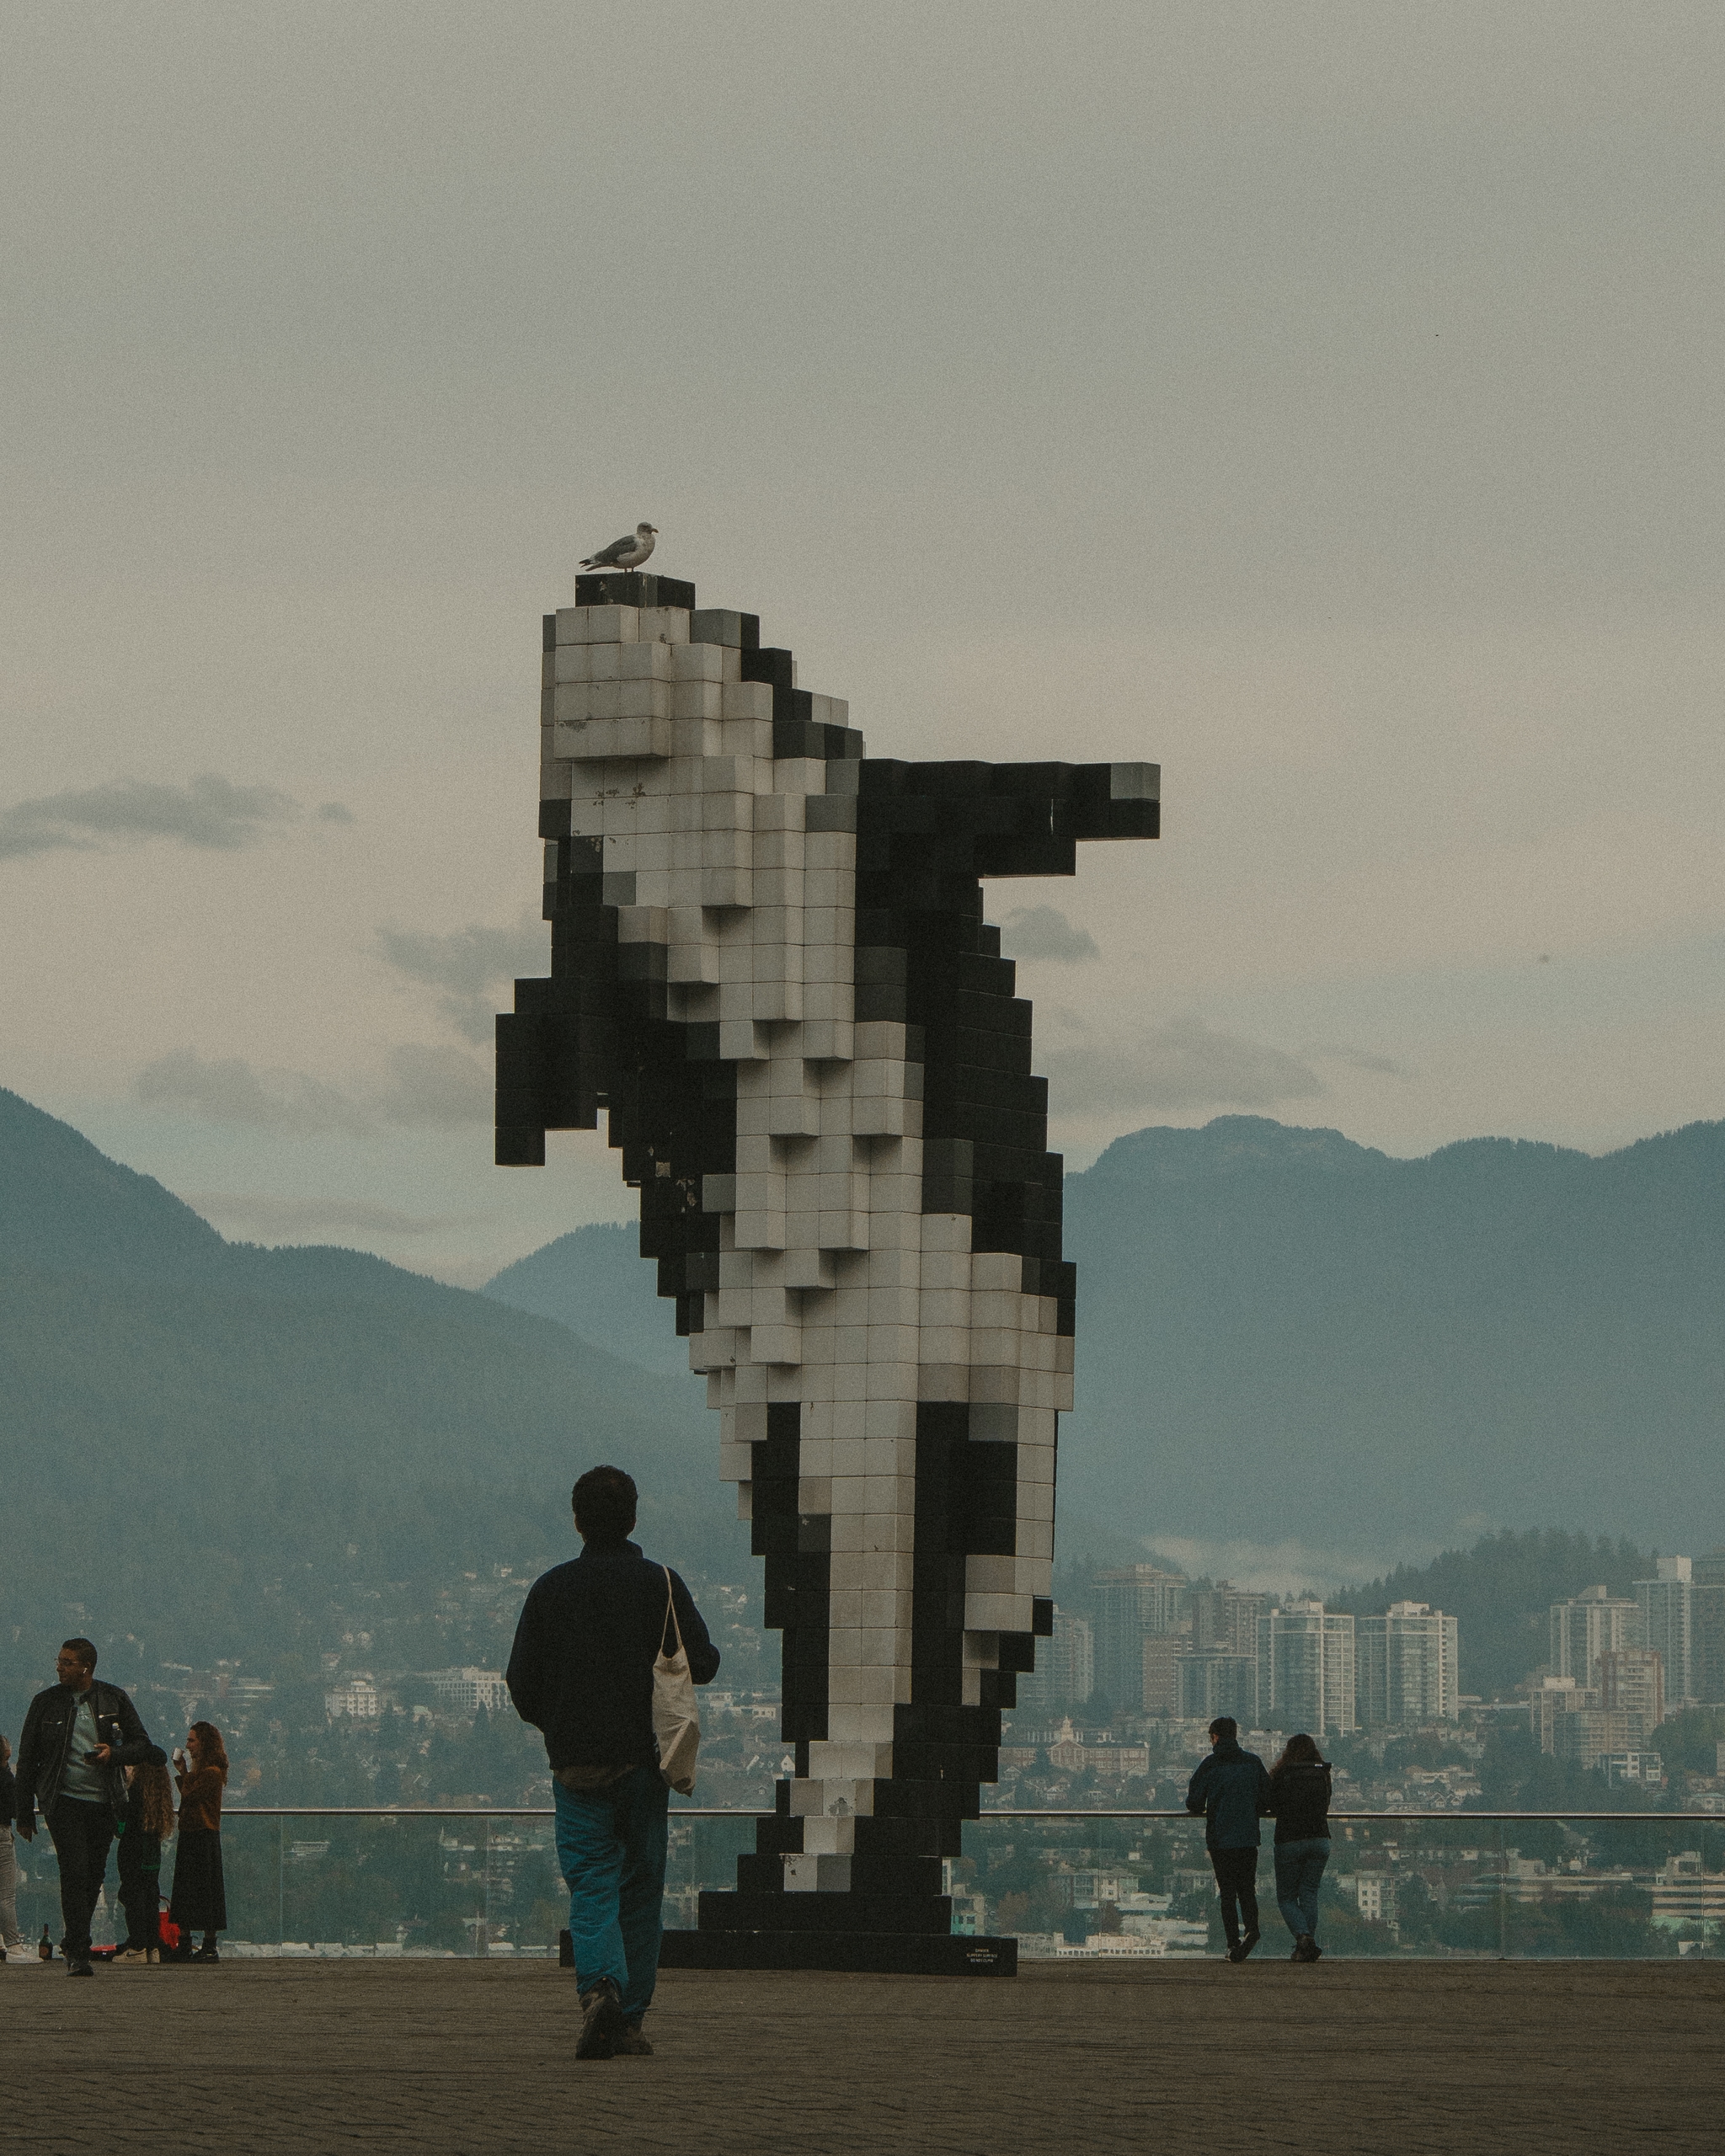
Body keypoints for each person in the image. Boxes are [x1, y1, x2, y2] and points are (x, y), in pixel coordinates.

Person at [507, 1465, 720, 2060]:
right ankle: (628, 2018)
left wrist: (558, 1725)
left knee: (592, 1881)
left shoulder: (551, 1589)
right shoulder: (661, 1584)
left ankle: (600, 1983)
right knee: (641, 1887)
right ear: (632, 1518)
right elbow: (701, 1663)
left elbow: (521, 1681)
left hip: (576, 1765)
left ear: (577, 1520)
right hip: (644, 1761)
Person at [14, 1638, 160, 1976]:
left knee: (93, 1874)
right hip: (62, 1800)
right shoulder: (45, 1703)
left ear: (86, 1667)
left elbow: (143, 1745)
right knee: (75, 1870)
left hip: (103, 1802)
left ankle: (75, 1942)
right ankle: (78, 1948)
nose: (59, 1667)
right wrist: (24, 1812)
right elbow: (28, 1758)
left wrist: (114, 1755)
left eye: (67, 1662)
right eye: (59, 1660)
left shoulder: (114, 1698)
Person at [1185, 1714, 1273, 1962]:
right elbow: (1268, 1799)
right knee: (1247, 1889)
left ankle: (1233, 1944)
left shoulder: (1210, 1765)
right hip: (1247, 1837)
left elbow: (1194, 1803)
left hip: (1220, 1839)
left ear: (1215, 1737)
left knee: (1227, 1893)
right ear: (1235, 1735)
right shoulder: (1253, 1762)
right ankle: (1252, 1930)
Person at [1266, 1732, 1332, 1962]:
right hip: (1320, 1839)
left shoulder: (1283, 1774)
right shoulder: (1323, 1772)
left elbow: (1270, 1804)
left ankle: (1303, 1938)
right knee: (1309, 1893)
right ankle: (1306, 1945)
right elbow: (1325, 1803)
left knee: (1286, 1897)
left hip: (1289, 1840)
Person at [167, 1721, 227, 1962]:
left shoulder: (211, 1772)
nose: (188, 1745)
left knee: (204, 1889)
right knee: (188, 1888)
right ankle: (187, 1941)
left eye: (192, 1740)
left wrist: (183, 1773)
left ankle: (207, 1944)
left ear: (204, 1743)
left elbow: (191, 1796)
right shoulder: (203, 1771)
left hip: (204, 1832)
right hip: (193, 1831)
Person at [116, 1755, 175, 1964]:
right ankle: (152, 1946)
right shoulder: (158, 1797)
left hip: (132, 1849)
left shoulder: (134, 1792)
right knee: (151, 1895)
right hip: (152, 1851)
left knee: (132, 1895)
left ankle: (137, 1947)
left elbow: (121, 1826)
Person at [0, 1732, 23, 1959]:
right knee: (6, 1894)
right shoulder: (6, 1777)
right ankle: (13, 1944)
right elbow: (15, 1809)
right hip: (1, 1832)